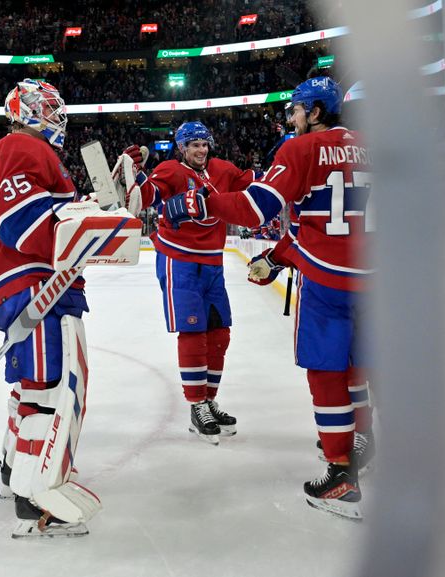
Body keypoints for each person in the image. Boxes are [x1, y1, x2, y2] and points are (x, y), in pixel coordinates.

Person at [163, 76, 374, 520]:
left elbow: (256, 207)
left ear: (314, 111)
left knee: (327, 369)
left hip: (328, 281)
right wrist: (279, 258)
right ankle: (361, 439)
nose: (291, 117)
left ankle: (340, 474)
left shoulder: (300, 150)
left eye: (296, 109)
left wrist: (205, 206)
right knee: (358, 365)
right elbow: (315, 218)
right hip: (375, 278)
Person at [0, 79, 101, 537]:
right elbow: (24, 225)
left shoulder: (18, 150)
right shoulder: (22, 147)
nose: (57, 117)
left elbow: (43, 217)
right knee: (51, 392)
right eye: (49, 108)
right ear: (27, 110)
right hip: (35, 288)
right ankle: (37, 498)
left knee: (35, 387)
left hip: (22, 287)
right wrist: (93, 227)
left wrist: (83, 213)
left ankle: (16, 469)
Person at [120, 121, 254, 444]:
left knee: (219, 332)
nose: (201, 150)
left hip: (213, 263)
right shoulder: (171, 170)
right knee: (193, 331)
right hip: (179, 261)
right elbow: (148, 197)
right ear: (182, 147)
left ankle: (208, 400)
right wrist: (134, 174)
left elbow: (253, 185)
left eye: (204, 145)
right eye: (194, 145)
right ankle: (196, 405)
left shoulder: (221, 169)